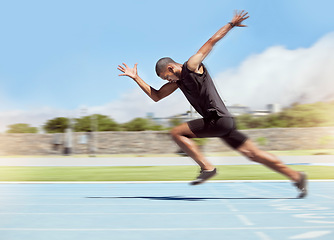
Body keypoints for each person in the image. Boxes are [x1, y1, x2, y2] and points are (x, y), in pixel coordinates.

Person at [118, 10, 307, 198]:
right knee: (253, 154)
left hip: (216, 120)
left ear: (171, 68)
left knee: (176, 133)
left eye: (166, 77)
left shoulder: (192, 66)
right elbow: (157, 96)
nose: (167, 81)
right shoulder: (178, 83)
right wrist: (136, 78)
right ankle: (297, 176)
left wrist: (231, 25)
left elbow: (211, 41)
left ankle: (207, 168)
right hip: (225, 122)